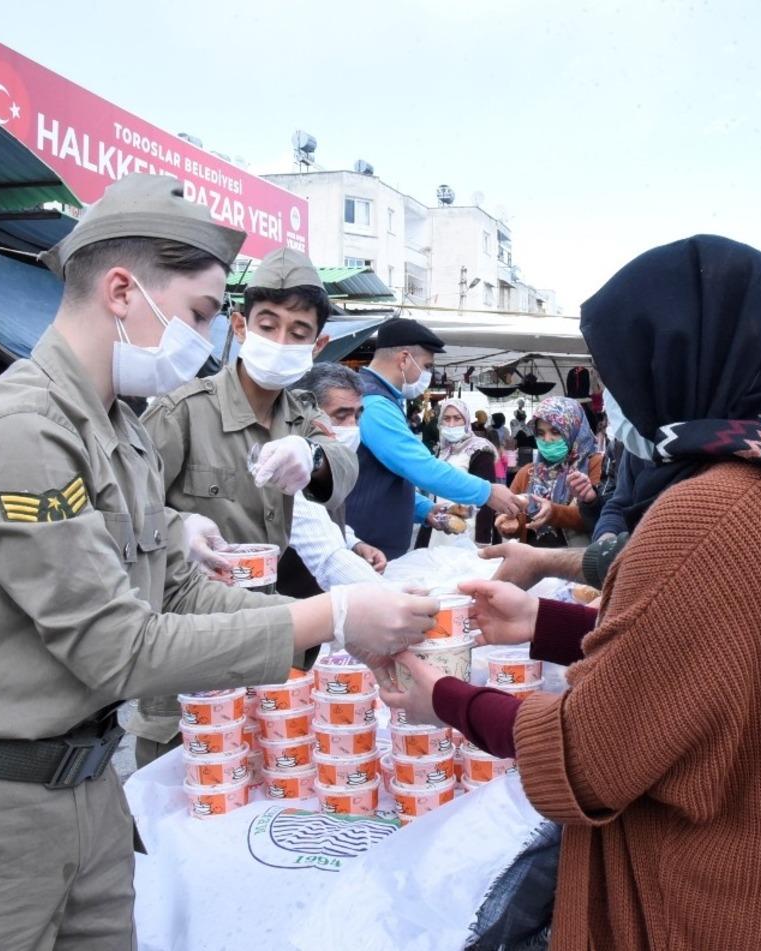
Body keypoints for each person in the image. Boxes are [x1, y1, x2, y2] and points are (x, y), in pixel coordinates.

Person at [0, 175, 438, 951]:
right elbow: (118, 644)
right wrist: (333, 615)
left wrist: (332, 634)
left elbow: (181, 586)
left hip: (90, 786)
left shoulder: (117, 430)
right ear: (123, 290)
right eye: (200, 314)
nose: (208, 338)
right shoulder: (22, 433)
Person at [385, 235, 761, 950]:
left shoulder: (710, 510)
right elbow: (713, 657)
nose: (613, 396)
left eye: (620, 369)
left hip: (757, 908)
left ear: (672, 361)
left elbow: (587, 753)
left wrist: (443, 697)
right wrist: (542, 621)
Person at [128, 247, 358, 766]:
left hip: (271, 644)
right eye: (268, 325)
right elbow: (120, 504)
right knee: (180, 799)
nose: (281, 342)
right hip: (190, 650)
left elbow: (345, 465)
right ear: (238, 325)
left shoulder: (300, 417)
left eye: (298, 333)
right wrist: (175, 524)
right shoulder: (183, 410)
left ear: (318, 344)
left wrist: (313, 456)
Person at [346, 318, 522, 559]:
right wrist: (487, 492)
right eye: (427, 366)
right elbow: (418, 466)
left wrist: (425, 509)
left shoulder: (382, 398)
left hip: (373, 548)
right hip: (364, 549)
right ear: (404, 359)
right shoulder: (373, 403)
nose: (428, 374)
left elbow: (386, 479)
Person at [287, 364, 389, 587]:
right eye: (341, 416)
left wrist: (353, 543)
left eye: (357, 416)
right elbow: (323, 551)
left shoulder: (335, 464)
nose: (352, 426)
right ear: (306, 413)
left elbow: (327, 520)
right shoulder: (290, 465)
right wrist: (390, 596)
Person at [496, 396, 603, 547]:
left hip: (577, 563)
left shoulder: (595, 464)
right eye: (540, 433)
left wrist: (553, 513)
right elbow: (518, 522)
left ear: (574, 428)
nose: (547, 439)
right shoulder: (528, 473)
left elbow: (598, 517)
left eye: (555, 431)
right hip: (533, 564)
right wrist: (510, 524)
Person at [416, 397, 498, 547]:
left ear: (466, 421)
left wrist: (482, 539)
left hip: (468, 530)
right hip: (440, 526)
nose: (451, 424)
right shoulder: (441, 450)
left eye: (457, 418)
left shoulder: (479, 450)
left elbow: (488, 498)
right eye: (446, 419)